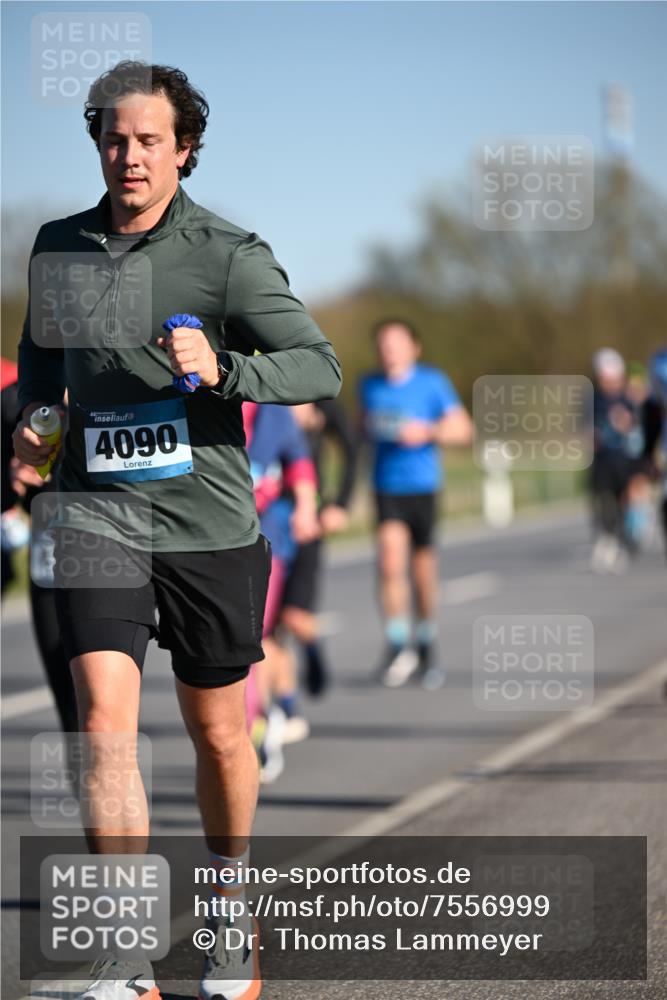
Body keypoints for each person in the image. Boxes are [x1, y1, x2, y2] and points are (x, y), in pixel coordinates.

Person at [13, 60, 341, 1000]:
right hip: (92, 517)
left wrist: (227, 368)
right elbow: (43, 369)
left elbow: (318, 367)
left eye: (150, 139)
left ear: (183, 149)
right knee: (103, 726)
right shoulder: (57, 245)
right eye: (115, 137)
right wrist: (34, 436)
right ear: (99, 144)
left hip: (204, 525)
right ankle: (124, 957)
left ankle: (229, 905)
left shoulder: (228, 254)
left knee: (219, 735)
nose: (130, 155)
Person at [358, 319, 472, 690]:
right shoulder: (368, 385)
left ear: (414, 347)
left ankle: (425, 640)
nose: (389, 350)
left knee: (422, 574)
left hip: (423, 487)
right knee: (389, 561)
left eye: (396, 343)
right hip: (386, 486)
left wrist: (426, 431)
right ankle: (395, 640)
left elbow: (463, 429)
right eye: (383, 344)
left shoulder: (432, 382)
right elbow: (361, 428)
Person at [241, 400, 319, 782]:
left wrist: (306, 506)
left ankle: (254, 726)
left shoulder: (272, 410)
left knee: (251, 638)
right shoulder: (193, 395)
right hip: (208, 543)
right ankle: (257, 719)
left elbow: (298, 459)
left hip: (266, 540)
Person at [277, 399, 357, 698]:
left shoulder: (318, 391)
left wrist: (341, 504)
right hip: (264, 515)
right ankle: (284, 707)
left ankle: (312, 649)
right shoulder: (255, 388)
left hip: (308, 517)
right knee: (266, 626)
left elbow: (351, 447)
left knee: (295, 616)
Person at [589, 348, 646, 572]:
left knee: (624, 501)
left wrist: (627, 422)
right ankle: (606, 539)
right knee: (603, 501)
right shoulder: (593, 399)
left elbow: (637, 431)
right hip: (602, 459)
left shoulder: (628, 399)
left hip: (625, 460)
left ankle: (624, 540)